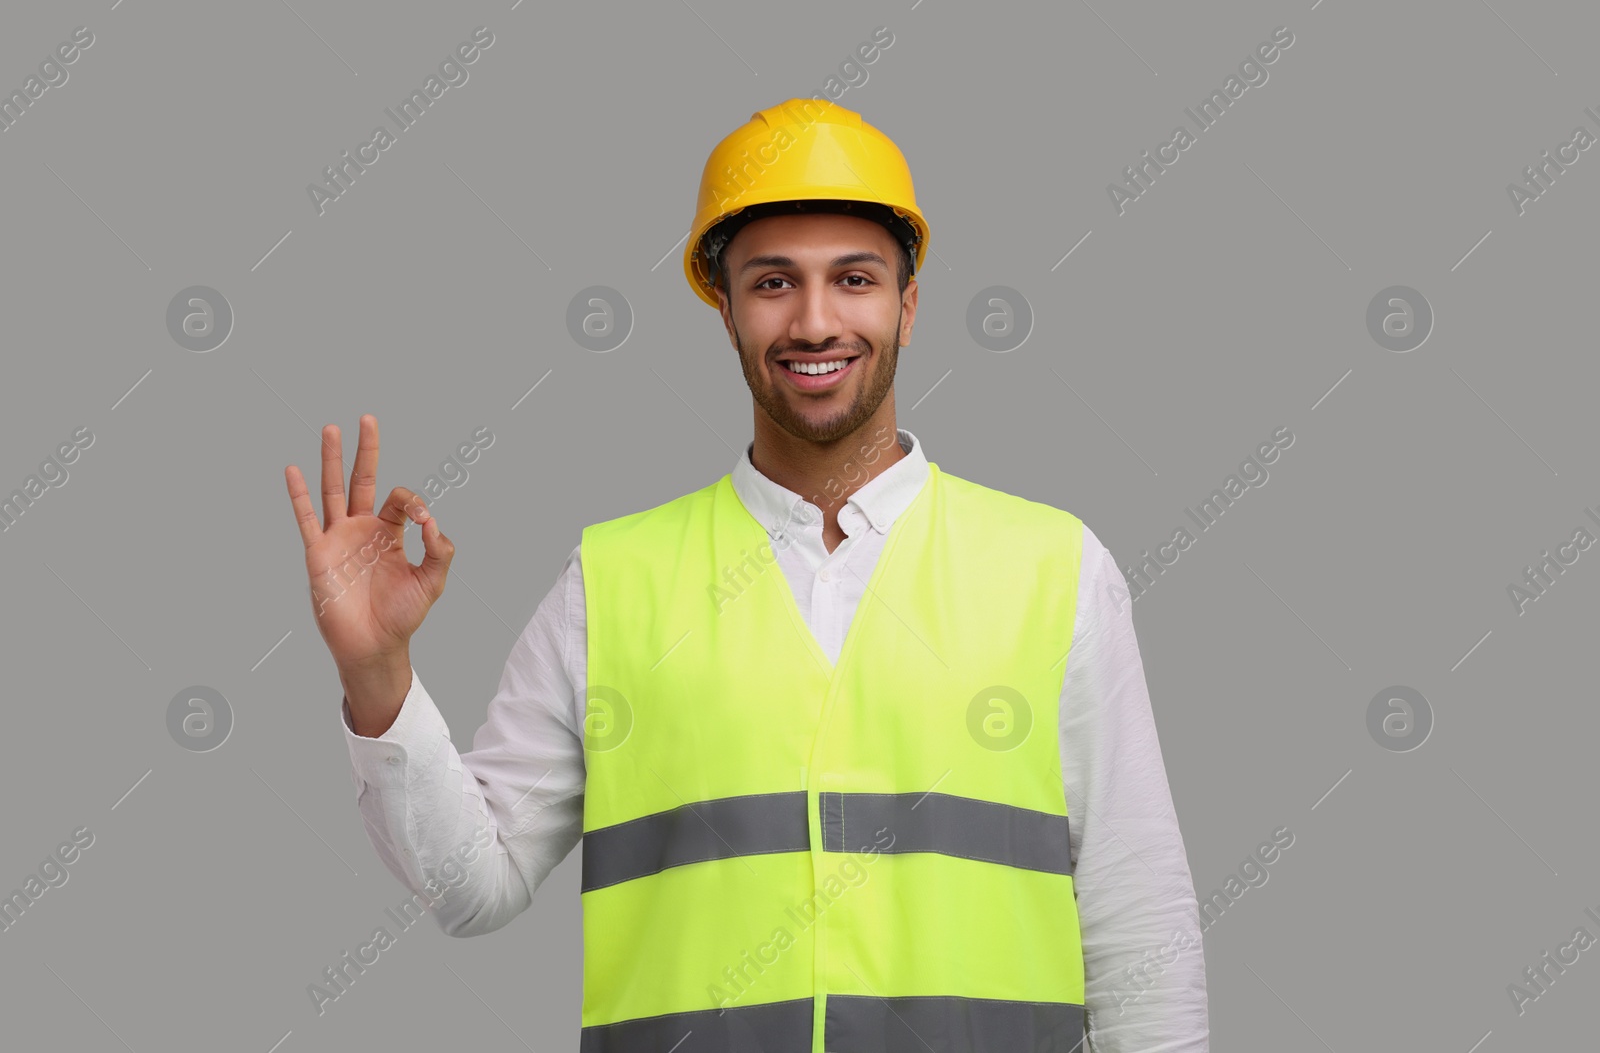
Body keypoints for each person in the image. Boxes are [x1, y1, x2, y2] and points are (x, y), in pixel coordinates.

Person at [284, 97, 1209, 1052]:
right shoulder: (613, 581)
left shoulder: (1054, 568)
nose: (815, 322)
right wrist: (378, 673)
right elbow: (472, 888)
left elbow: (1141, 923)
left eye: (854, 278)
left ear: (909, 303)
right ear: (723, 306)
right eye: (773, 282)